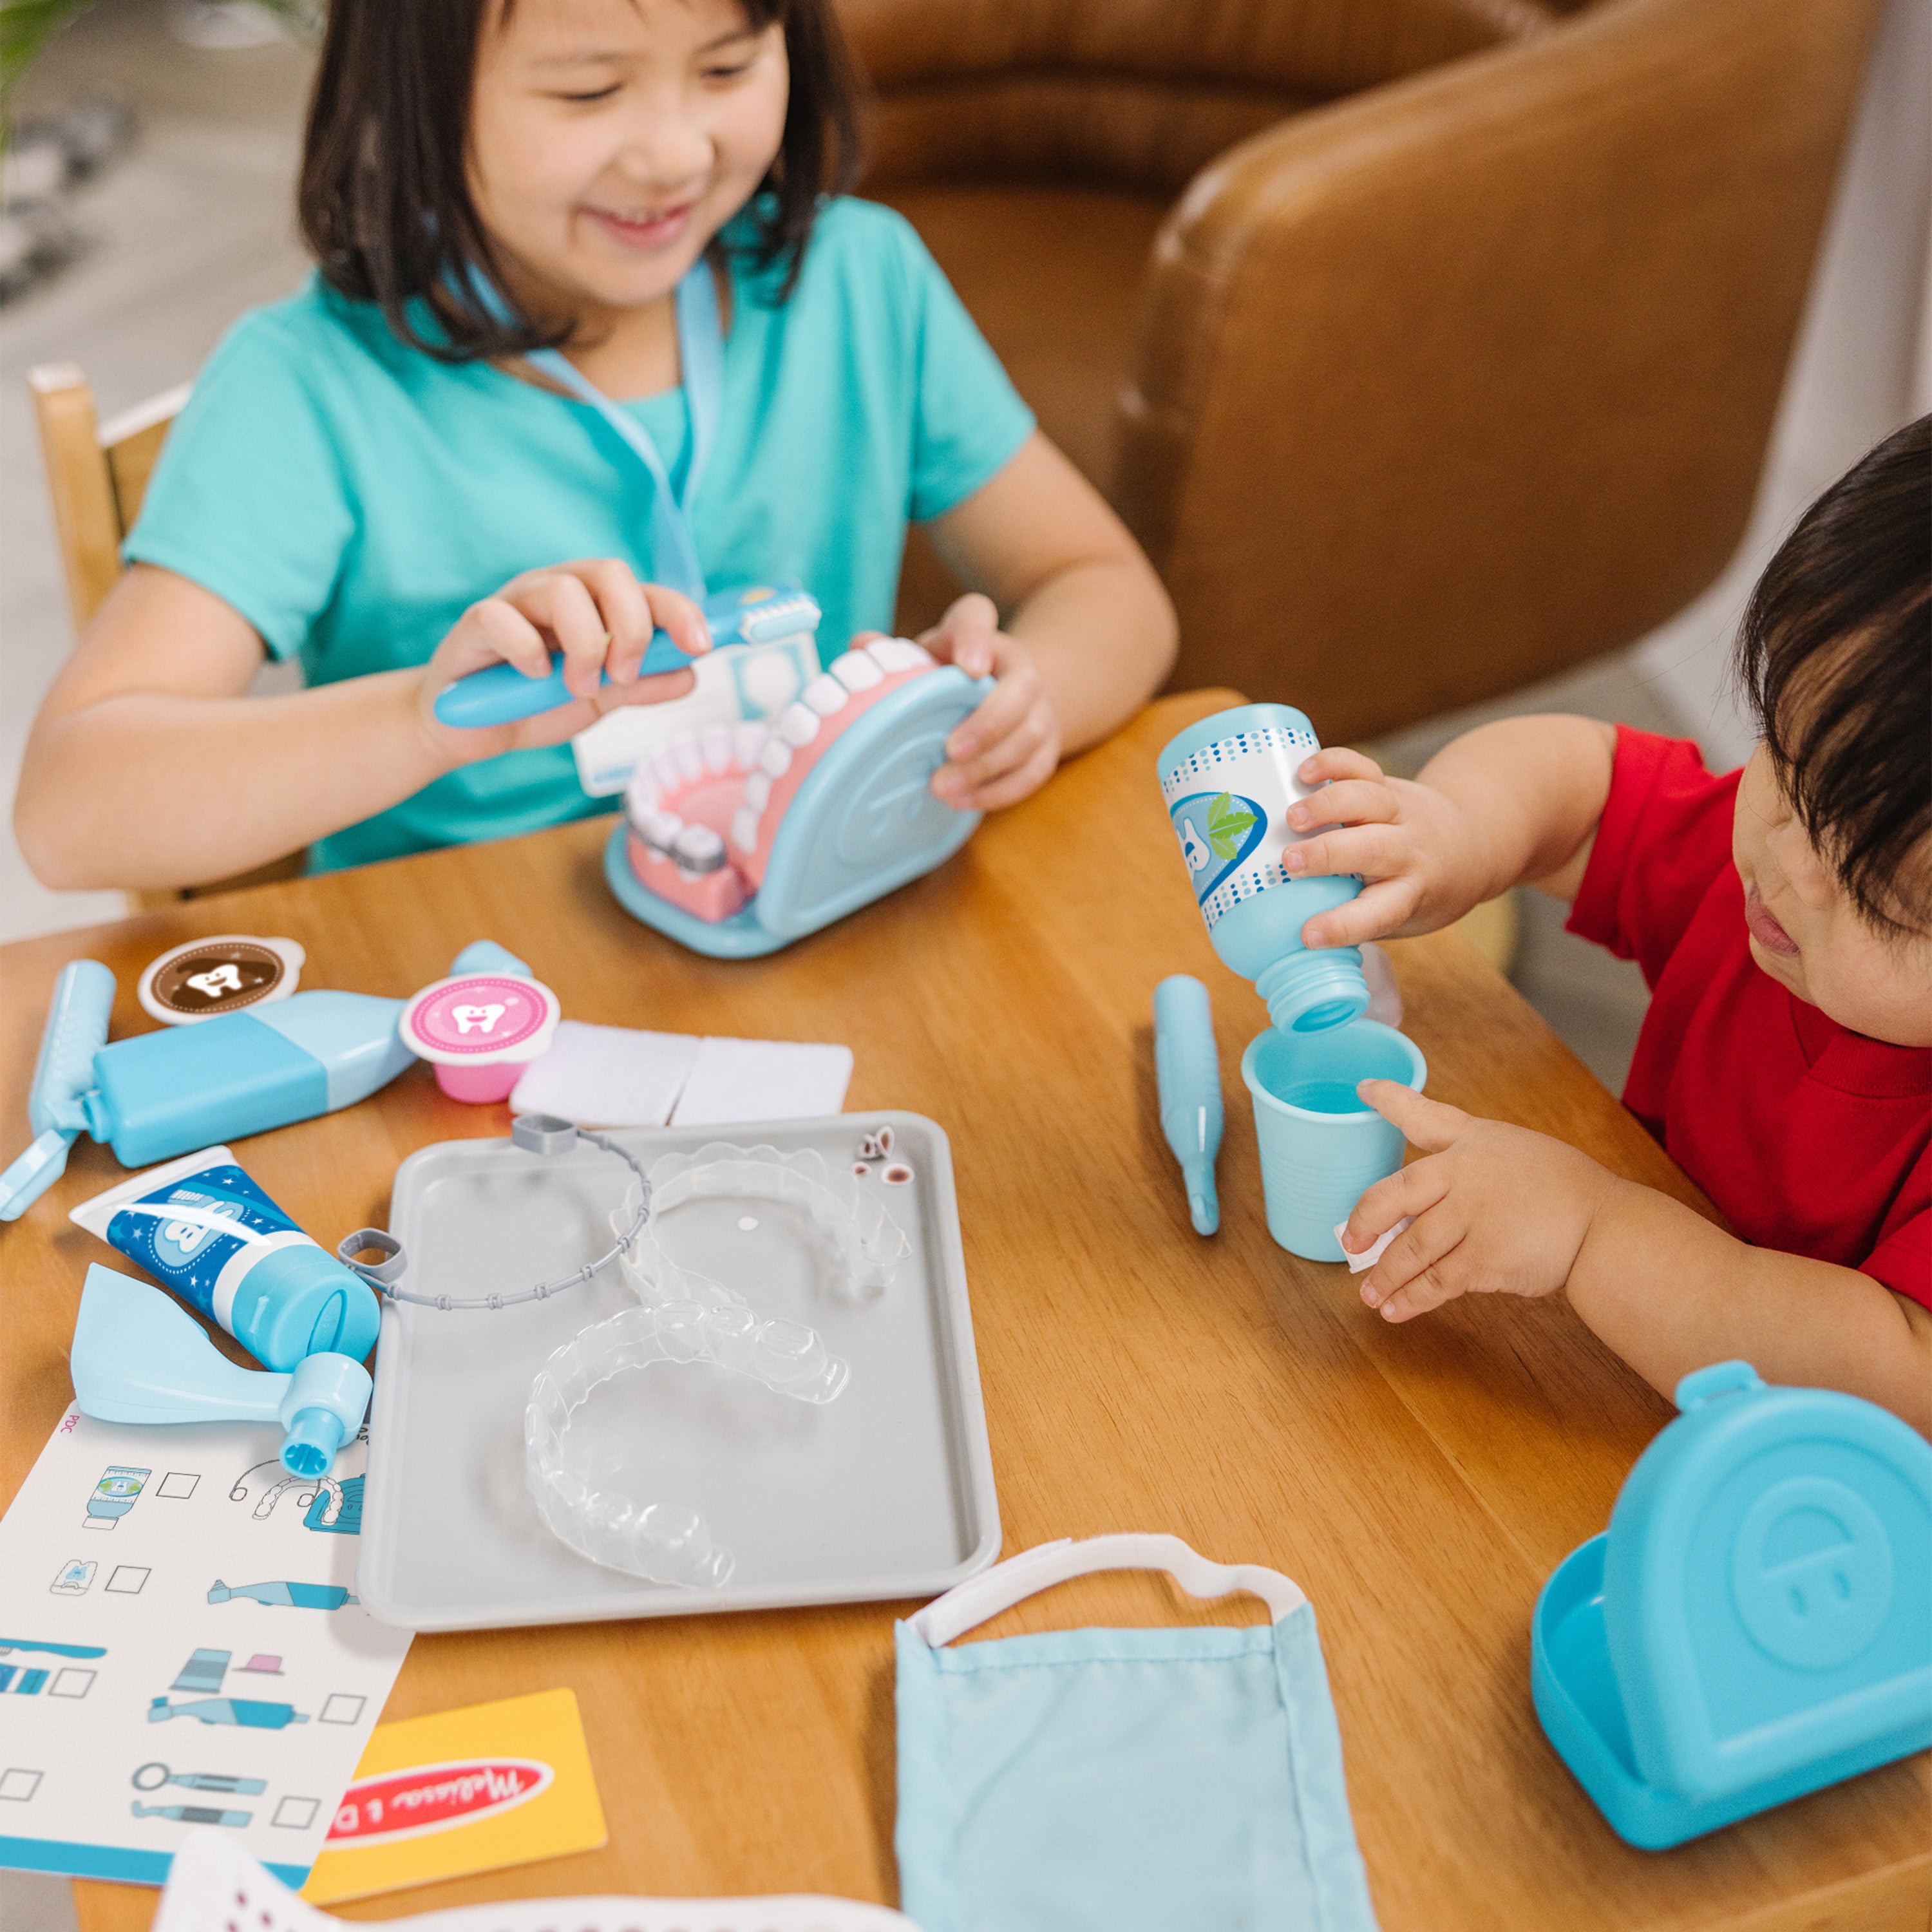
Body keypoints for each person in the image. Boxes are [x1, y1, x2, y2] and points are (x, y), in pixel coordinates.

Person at [15, 0, 1174, 889]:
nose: (673, 154)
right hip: (473, 1006)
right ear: (417, 94)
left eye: (726, 69)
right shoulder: (309, 387)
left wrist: (1025, 699)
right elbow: (73, 814)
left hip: (815, 910)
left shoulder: (858, 283)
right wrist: (425, 717)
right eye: (586, 91)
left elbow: (1105, 588)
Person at [1295, 416, 1930, 1432]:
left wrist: (1594, 1233)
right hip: (1608, 1397)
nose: (1787, 861)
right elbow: (1588, 787)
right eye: (1792, 759)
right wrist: (1464, 831)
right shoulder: (1783, 887)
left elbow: (1889, 1382)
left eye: (1880, 897)